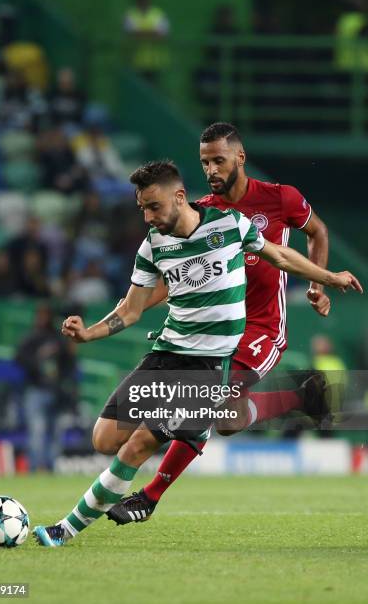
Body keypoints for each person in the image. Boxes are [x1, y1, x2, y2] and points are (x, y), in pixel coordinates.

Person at [32, 160, 361, 546]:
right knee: (104, 439)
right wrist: (89, 334)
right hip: (166, 353)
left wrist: (330, 277)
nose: (148, 216)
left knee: (140, 444)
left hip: (207, 366)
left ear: (179, 197)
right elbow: (131, 309)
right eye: (142, 209)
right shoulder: (153, 244)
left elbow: (283, 257)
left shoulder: (230, 226)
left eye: (154, 207)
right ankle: (287, 398)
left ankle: (65, 529)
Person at [105, 122, 340, 524]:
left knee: (207, 402)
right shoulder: (202, 213)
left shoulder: (281, 198)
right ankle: (303, 397)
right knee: (230, 420)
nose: (211, 169)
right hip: (215, 330)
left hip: (263, 327)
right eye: (204, 162)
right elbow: (171, 274)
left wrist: (319, 282)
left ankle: (150, 495)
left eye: (219, 160)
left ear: (240, 158)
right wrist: (136, 305)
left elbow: (316, 231)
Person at [15, 304, 77, 471]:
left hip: (56, 391)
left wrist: (64, 381)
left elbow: (69, 363)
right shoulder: (31, 338)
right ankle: (35, 468)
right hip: (36, 390)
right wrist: (39, 360)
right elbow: (19, 359)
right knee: (37, 430)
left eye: (45, 315)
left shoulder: (58, 339)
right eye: (40, 315)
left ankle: (51, 467)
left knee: (55, 431)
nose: (42, 319)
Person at [123, 0, 170, 84]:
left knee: (153, 90)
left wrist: (140, 33)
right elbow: (131, 34)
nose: (143, 3)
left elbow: (163, 35)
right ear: (137, 1)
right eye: (141, 0)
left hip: (155, 61)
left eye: (145, 0)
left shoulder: (158, 14)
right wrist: (152, 33)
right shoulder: (131, 14)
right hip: (135, 61)